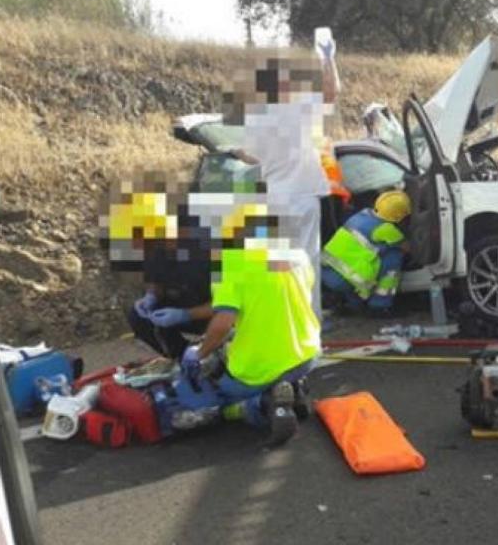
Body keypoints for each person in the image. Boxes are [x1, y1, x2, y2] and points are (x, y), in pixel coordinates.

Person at [173, 214, 321, 446]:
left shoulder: (234, 265)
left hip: (261, 368)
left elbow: (223, 322)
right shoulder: (297, 255)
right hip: (308, 353)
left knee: (214, 393)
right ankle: (294, 386)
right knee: (243, 352)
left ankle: (264, 404)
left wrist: (199, 353)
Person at [226, 27, 342, 319]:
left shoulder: (255, 118)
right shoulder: (299, 109)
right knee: (307, 264)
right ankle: (309, 325)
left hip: (275, 199)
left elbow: (251, 156)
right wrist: (328, 58)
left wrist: (234, 152)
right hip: (302, 197)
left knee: (282, 266)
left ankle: (287, 322)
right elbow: (331, 92)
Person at [106, 183, 212, 359]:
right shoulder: (153, 248)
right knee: (138, 317)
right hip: (188, 306)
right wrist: (152, 296)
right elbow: (156, 279)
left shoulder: (206, 246)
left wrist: (185, 315)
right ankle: (181, 359)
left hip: (220, 313)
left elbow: (230, 306)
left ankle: (209, 355)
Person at [321, 190, 411, 314]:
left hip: (326, 270)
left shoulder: (360, 215)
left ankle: (353, 304)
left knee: (358, 256)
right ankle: (380, 305)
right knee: (394, 256)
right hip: (345, 279)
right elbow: (407, 248)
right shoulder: (386, 229)